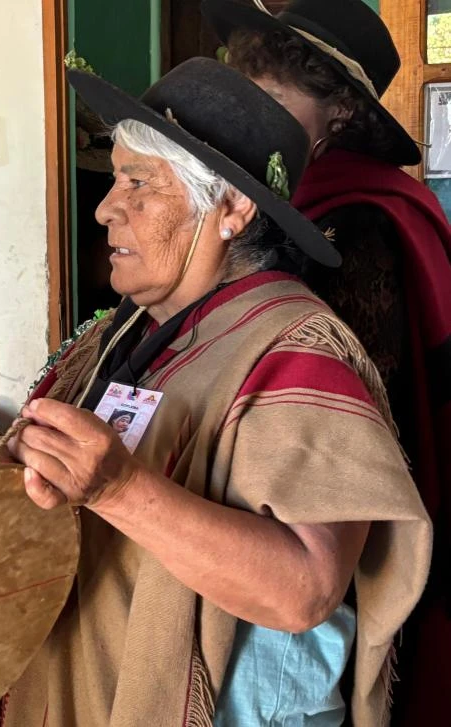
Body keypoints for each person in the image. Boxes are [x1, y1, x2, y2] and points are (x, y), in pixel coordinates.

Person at [0, 59, 431, 727]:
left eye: (138, 183)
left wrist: (118, 488)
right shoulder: (128, 328)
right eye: (115, 179)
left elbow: (306, 589)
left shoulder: (295, 351)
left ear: (231, 206)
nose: (107, 208)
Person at [201, 0, 451, 719]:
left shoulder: (360, 223)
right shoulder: (280, 200)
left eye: (276, 104)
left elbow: (344, 429)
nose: (255, 128)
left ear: (339, 112)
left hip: (324, 547)